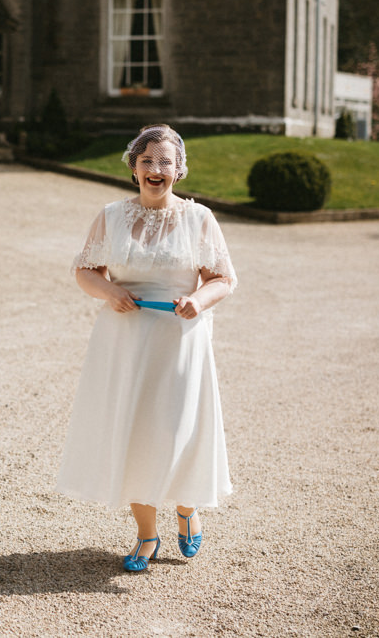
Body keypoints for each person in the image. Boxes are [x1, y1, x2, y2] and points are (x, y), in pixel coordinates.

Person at [56, 124, 237, 572]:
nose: (156, 169)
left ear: (180, 169)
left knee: (177, 429)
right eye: (147, 161)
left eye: (166, 162)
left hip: (179, 340)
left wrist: (197, 300)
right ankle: (145, 534)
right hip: (125, 339)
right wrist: (108, 292)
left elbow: (224, 279)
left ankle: (187, 505)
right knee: (134, 430)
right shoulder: (111, 216)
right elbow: (85, 270)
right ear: (134, 167)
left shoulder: (200, 219)